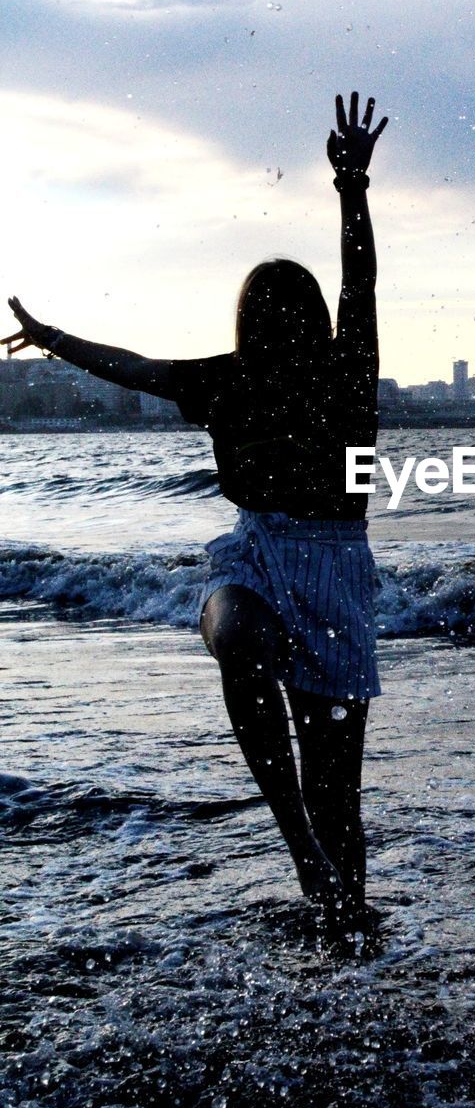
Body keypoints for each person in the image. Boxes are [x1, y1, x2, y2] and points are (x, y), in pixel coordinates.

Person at [5, 92, 388, 946]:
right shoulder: (243, 378)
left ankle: (344, 927)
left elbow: (359, 280)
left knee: (338, 794)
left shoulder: (342, 370)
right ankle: (305, 861)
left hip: (333, 574)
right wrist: (350, 188)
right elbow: (135, 364)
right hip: (253, 556)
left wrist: (351, 189)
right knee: (237, 634)